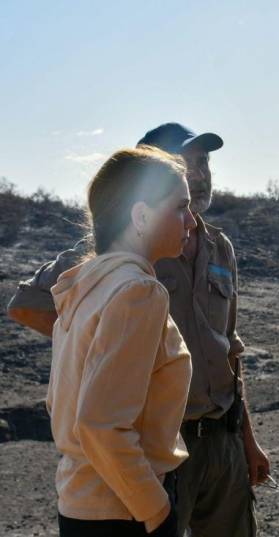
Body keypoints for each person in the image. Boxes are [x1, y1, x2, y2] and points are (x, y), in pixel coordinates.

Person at [7, 123, 269, 537]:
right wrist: (111, 360)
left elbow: (229, 349)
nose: (199, 173)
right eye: (185, 164)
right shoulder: (120, 251)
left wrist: (246, 439)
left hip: (222, 437)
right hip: (151, 453)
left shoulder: (219, 247)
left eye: (203, 162)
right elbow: (28, 306)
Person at [49, 146, 195, 536]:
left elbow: (62, 405)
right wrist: (157, 509)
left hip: (82, 503)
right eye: (181, 207)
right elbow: (100, 423)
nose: (191, 222)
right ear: (142, 216)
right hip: (123, 510)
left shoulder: (86, 286)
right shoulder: (137, 292)